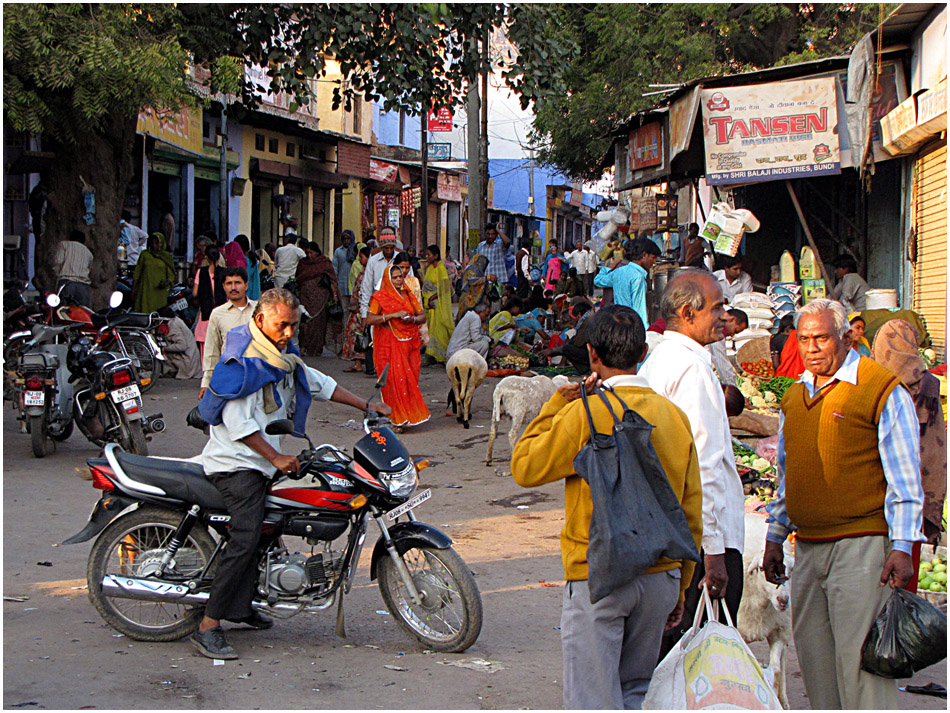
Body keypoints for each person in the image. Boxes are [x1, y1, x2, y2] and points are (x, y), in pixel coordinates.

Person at [512, 305, 703, 709]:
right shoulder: (675, 418)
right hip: (661, 577)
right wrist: (682, 586)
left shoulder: (586, 413)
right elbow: (690, 513)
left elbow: (525, 466)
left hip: (598, 573)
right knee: (636, 692)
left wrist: (556, 405)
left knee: (592, 700)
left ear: (594, 356)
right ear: (643, 352)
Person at [194, 288, 390, 659]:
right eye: (281, 325)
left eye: (293, 325)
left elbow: (319, 384)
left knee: (277, 526)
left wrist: (368, 405)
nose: (287, 332)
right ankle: (208, 625)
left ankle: (242, 604)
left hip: (263, 461)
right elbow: (238, 422)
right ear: (260, 320)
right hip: (236, 464)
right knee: (247, 536)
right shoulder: (245, 362)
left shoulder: (282, 359)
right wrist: (276, 457)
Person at [762, 299, 924, 710]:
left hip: (861, 546)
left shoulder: (879, 389)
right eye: (804, 339)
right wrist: (775, 536)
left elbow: (904, 476)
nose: (812, 347)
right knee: (816, 666)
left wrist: (903, 546)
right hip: (809, 545)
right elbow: (787, 473)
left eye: (821, 338)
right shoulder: (796, 396)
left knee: (860, 671)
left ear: (846, 337)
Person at [639, 269, 745, 654]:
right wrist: (714, 552)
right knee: (701, 656)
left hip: (670, 530)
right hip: (700, 541)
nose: (724, 316)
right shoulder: (690, 369)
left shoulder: (661, 359)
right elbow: (704, 463)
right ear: (688, 312)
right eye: (717, 308)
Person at [872, 319, 946, 593]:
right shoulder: (927, 383)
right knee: (906, 567)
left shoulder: (882, 387)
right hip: (919, 490)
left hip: (884, 494)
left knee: (880, 579)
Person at [365, 265, 430, 431]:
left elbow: (422, 316)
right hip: (390, 344)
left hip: (410, 343)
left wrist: (412, 320)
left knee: (410, 381)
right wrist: (392, 315)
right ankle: (397, 419)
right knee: (394, 381)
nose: (399, 280)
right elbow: (370, 319)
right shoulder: (380, 297)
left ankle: (408, 416)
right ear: (388, 279)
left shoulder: (408, 294)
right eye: (395, 277)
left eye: (400, 276)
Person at [198, 266, 256, 399]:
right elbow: (212, 350)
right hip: (228, 375)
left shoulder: (259, 311)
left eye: (237, 283)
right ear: (223, 286)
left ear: (246, 285)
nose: (233, 287)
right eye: (229, 283)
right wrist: (206, 382)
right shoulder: (218, 314)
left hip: (256, 375)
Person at [593, 237, 660, 330]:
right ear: (644, 255)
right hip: (631, 327)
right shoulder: (637, 277)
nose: (654, 262)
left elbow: (598, 280)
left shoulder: (619, 271)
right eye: (653, 258)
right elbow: (640, 311)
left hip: (618, 324)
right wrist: (645, 333)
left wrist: (608, 268)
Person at [295, 241, 339, 357]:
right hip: (305, 296)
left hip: (320, 298)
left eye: (311, 252)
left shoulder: (324, 263)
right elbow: (298, 278)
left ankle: (316, 348)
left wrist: (334, 296)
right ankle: (303, 346)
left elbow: (332, 279)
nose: (309, 255)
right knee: (305, 321)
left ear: (317, 252)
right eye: (307, 253)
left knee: (318, 323)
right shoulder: (303, 263)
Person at [341, 246, 372, 373]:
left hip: (362, 310)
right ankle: (358, 362)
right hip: (358, 308)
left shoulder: (368, 273)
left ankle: (359, 362)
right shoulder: (364, 271)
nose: (359, 259)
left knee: (357, 335)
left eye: (361, 257)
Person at [421, 244, 454, 363]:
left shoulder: (441, 268)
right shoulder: (429, 268)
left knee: (439, 329)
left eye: (429, 255)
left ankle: (441, 355)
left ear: (435, 256)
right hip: (429, 304)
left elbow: (445, 288)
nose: (427, 257)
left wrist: (433, 297)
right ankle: (431, 353)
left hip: (437, 303)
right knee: (431, 328)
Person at [193, 244, 227, 356]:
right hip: (221, 316)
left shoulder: (201, 272)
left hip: (206, 315)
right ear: (219, 257)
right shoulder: (225, 273)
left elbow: (194, 293)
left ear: (206, 257)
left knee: (205, 352)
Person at [359, 229, 400, 321]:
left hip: (398, 309)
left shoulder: (401, 259)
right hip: (377, 309)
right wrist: (364, 315)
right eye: (386, 248)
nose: (389, 251)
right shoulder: (373, 261)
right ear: (381, 247)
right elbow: (366, 288)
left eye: (391, 248)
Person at [132, 233, 175, 314]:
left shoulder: (166, 256)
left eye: (157, 243)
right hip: (145, 289)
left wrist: (167, 282)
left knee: (159, 313)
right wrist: (133, 288)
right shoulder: (145, 254)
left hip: (159, 291)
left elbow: (171, 274)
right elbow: (137, 271)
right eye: (152, 243)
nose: (154, 245)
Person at [156, 306, 202, 380]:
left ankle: (170, 370)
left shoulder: (173, 325)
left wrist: (164, 348)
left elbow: (182, 346)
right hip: (191, 360)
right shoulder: (176, 320)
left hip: (188, 362)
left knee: (163, 351)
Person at [707, 308, 747, 385]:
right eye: (735, 330)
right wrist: (734, 388)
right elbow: (722, 363)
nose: (732, 335)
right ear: (732, 319)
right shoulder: (716, 330)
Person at [54, 229, 93, 306]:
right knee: (82, 313)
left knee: (63, 312)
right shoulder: (89, 252)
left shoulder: (64, 245)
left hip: (66, 282)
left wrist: (57, 274)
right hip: (83, 286)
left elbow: (58, 262)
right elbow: (89, 268)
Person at [456, 254, 491, 322]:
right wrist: (486, 279)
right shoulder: (472, 270)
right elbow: (473, 282)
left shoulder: (478, 272)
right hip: (467, 299)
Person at [333, 230, 356, 318]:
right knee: (345, 310)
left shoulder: (356, 251)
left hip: (354, 286)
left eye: (348, 238)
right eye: (344, 239)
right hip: (342, 285)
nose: (346, 241)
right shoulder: (338, 251)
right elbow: (335, 267)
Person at [235, 235, 261, 301]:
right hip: (249, 294)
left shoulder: (235, 261)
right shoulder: (252, 260)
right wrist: (256, 298)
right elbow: (256, 281)